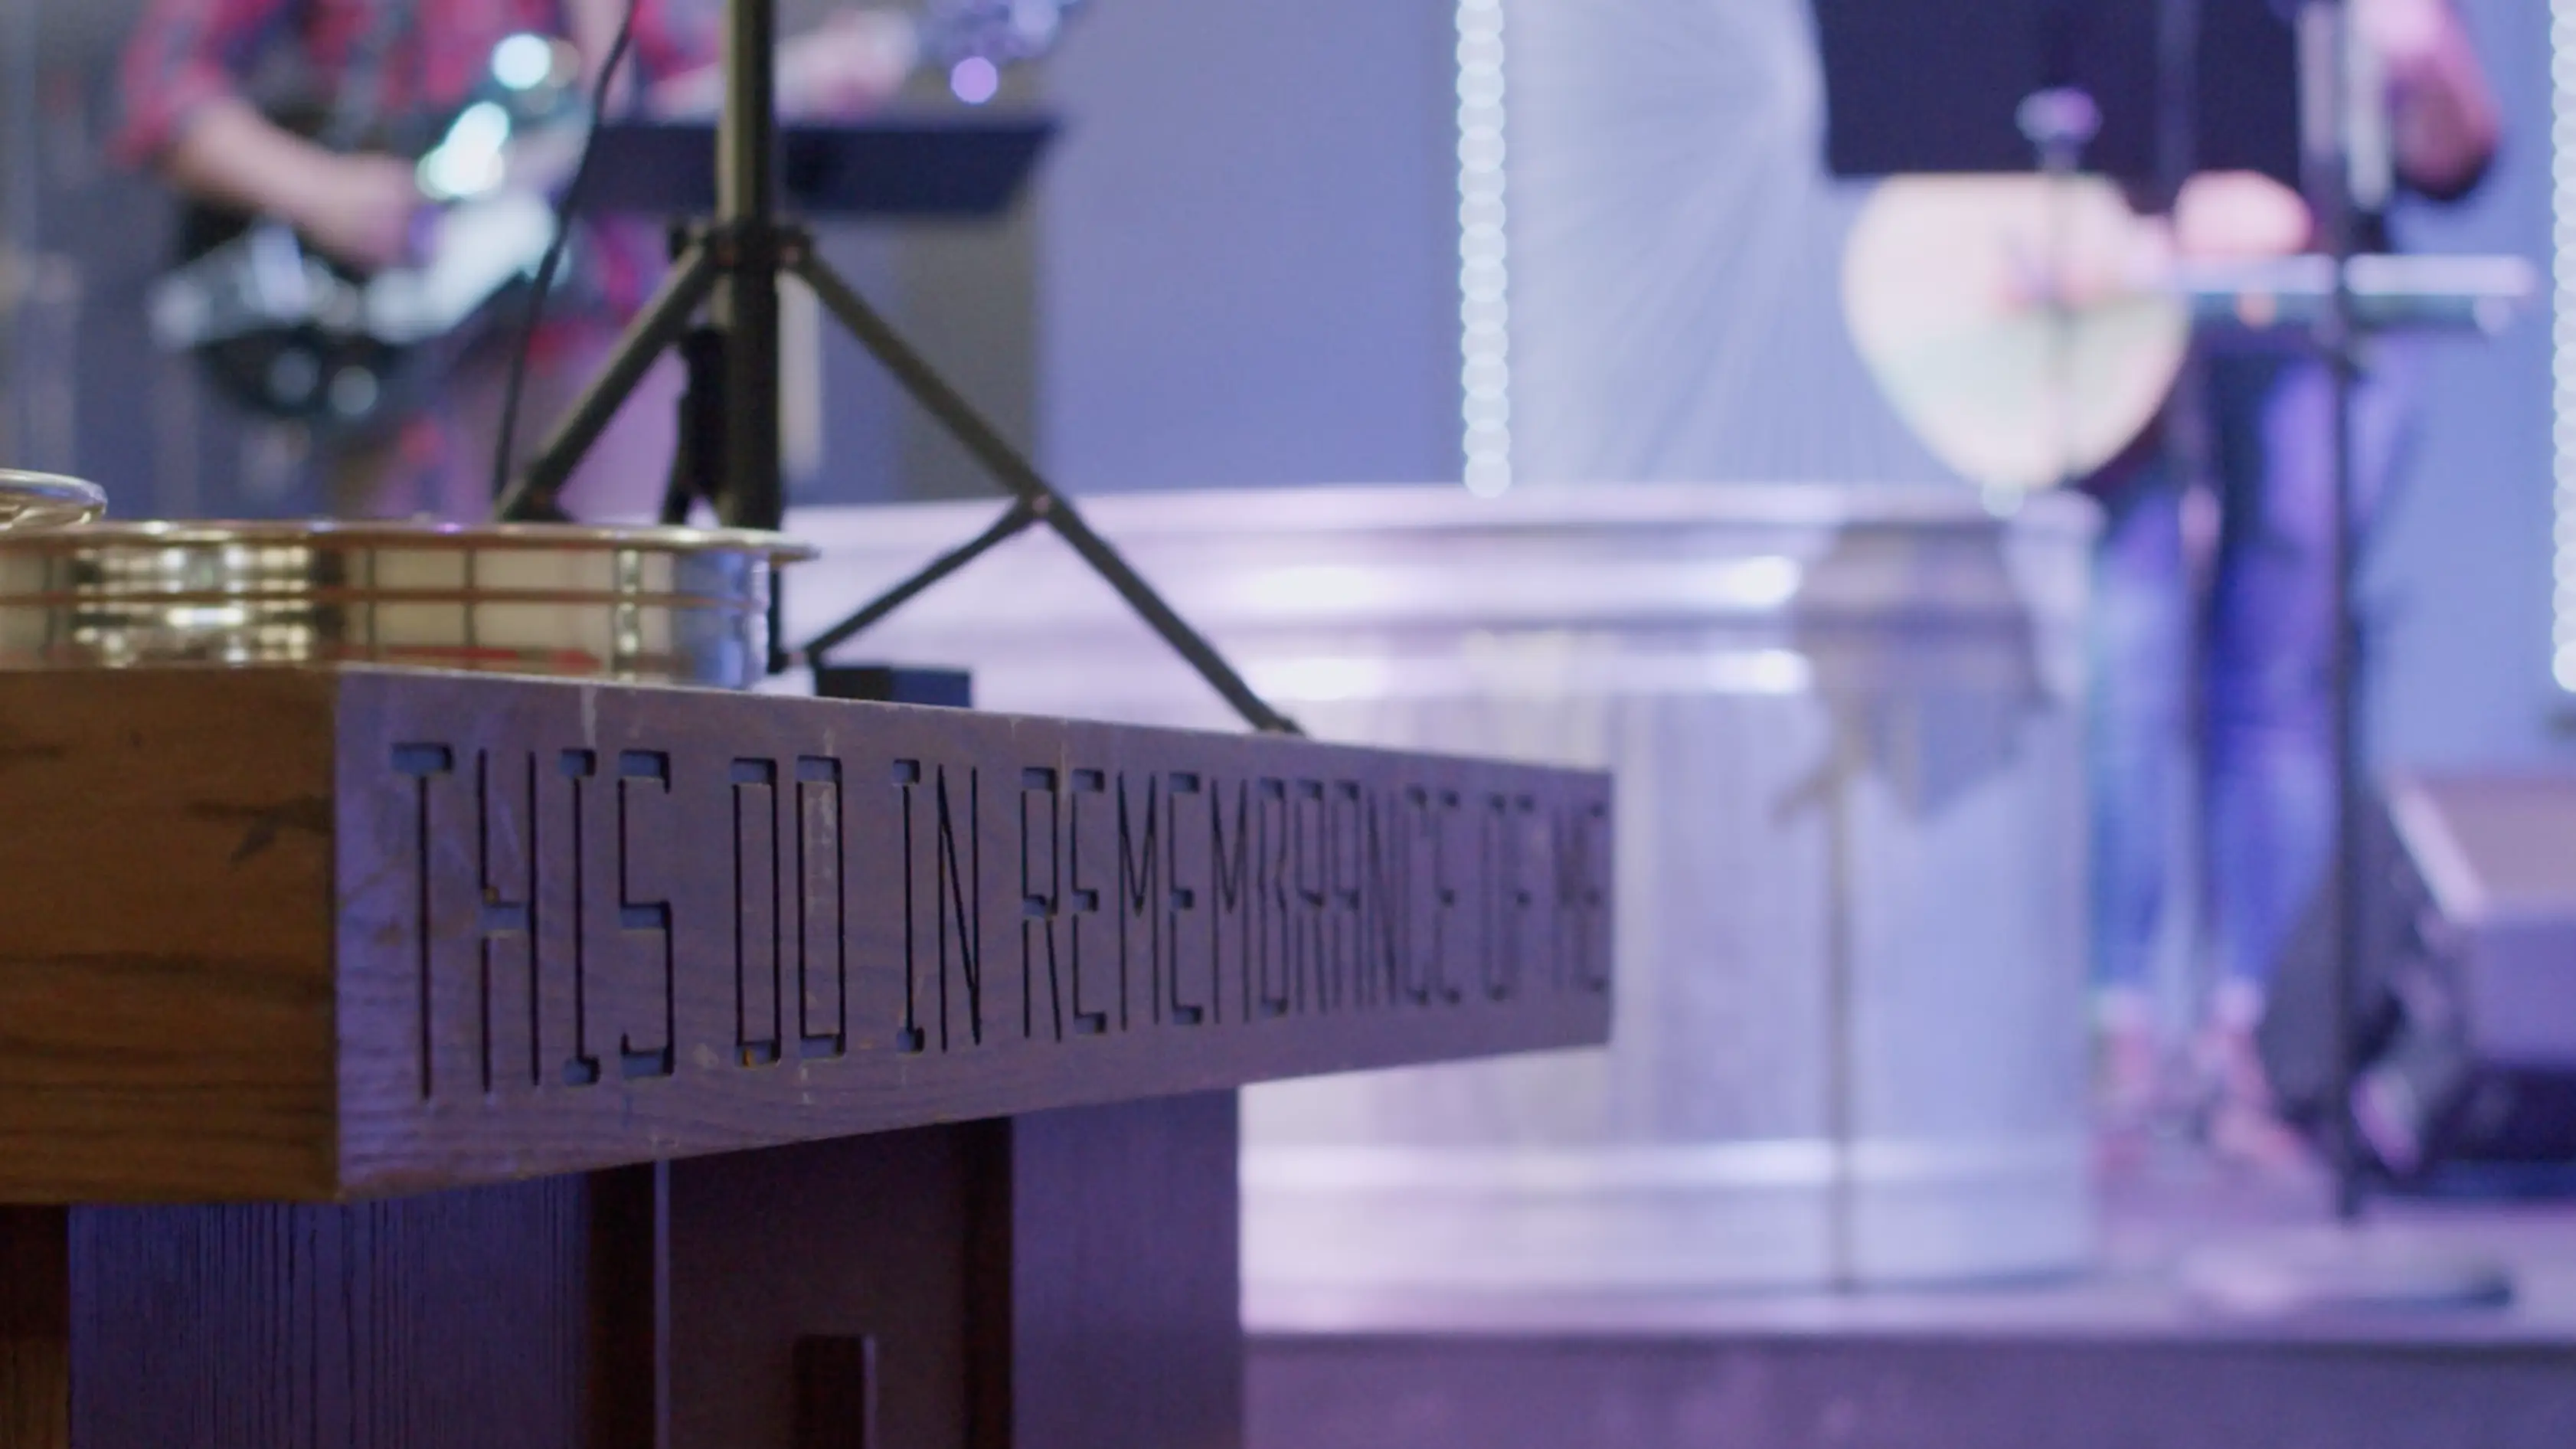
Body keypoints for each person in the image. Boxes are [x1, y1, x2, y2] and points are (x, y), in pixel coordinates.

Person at [2088, 0, 2500, 1165]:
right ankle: (2111, 1043)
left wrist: (2422, 57)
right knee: (2126, 665)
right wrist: (2172, 220)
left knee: (2278, 681)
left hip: (2322, 303)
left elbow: (2453, 161)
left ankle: (2266, 1051)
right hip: (2126, 304)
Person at [116, 0, 908, 522]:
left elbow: (661, 101)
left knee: (620, 652)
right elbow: (162, 88)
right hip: (385, 348)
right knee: (405, 667)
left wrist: (798, 83)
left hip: (604, 334)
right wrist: (320, 191)